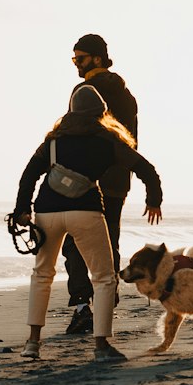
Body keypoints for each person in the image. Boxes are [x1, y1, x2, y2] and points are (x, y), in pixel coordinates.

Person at [12, 86, 163, 363]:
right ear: (100, 112)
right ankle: (101, 346)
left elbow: (29, 175)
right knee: (103, 277)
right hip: (86, 211)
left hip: (48, 212)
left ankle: (32, 343)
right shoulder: (107, 141)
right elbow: (145, 169)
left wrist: (22, 209)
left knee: (42, 275)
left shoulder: (53, 142)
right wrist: (154, 199)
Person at [62, 33, 139, 335]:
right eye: (74, 59)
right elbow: (131, 141)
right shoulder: (127, 95)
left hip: (87, 180)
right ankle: (107, 304)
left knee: (75, 244)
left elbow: (73, 135)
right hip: (118, 180)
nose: (76, 65)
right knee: (109, 244)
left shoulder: (85, 91)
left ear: (96, 58)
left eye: (79, 59)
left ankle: (83, 308)